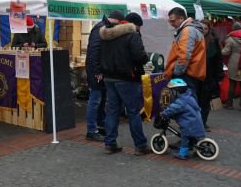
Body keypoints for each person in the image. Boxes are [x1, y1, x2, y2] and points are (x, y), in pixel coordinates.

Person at [99, 10, 149, 155]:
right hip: (127, 77)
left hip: (109, 77)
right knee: (133, 112)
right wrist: (145, 57)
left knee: (112, 111)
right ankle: (140, 145)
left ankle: (110, 144)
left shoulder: (105, 35)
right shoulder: (131, 34)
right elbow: (140, 56)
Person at [159, 78, 206, 160]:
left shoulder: (181, 102)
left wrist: (163, 113)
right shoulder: (189, 97)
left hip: (189, 124)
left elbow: (172, 109)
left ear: (176, 92)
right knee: (193, 137)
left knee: (185, 138)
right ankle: (196, 147)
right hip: (196, 121)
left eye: (172, 91)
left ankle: (183, 154)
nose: (171, 94)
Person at [165, 7, 206, 97]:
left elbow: (184, 56)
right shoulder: (191, 30)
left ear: (181, 18)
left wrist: (176, 73)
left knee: (186, 106)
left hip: (186, 76)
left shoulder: (188, 30)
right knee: (189, 105)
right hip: (191, 75)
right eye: (170, 21)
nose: (171, 24)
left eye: (173, 21)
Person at [198, 19, 223, 130]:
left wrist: (219, 76)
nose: (203, 30)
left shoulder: (213, 41)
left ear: (209, 29)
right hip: (196, 76)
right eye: (201, 28)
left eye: (206, 28)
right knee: (195, 102)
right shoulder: (194, 39)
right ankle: (196, 122)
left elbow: (218, 59)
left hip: (209, 77)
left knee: (205, 102)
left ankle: (202, 122)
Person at [85, 17, 107, 141]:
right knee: (95, 100)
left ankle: (100, 125)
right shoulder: (100, 28)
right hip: (96, 73)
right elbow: (94, 52)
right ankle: (91, 130)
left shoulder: (103, 27)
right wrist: (98, 71)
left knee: (101, 99)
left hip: (100, 72)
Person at [222, 22, 241, 110]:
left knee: (232, 83)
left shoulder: (230, 39)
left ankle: (229, 104)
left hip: (234, 62)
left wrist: (220, 51)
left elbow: (226, 52)